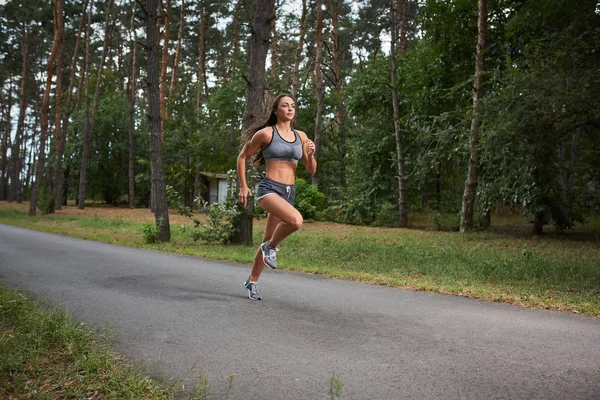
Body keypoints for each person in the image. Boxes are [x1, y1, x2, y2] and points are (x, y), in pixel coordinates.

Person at [237, 94, 317, 300]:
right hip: (269, 189)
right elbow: (243, 156)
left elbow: (311, 170)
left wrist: (311, 153)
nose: (290, 109)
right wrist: (244, 186)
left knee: (266, 238)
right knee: (296, 220)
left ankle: (252, 281)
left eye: (292, 105)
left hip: (289, 191)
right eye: (285, 106)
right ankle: (271, 247)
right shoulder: (265, 134)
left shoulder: (301, 136)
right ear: (276, 110)